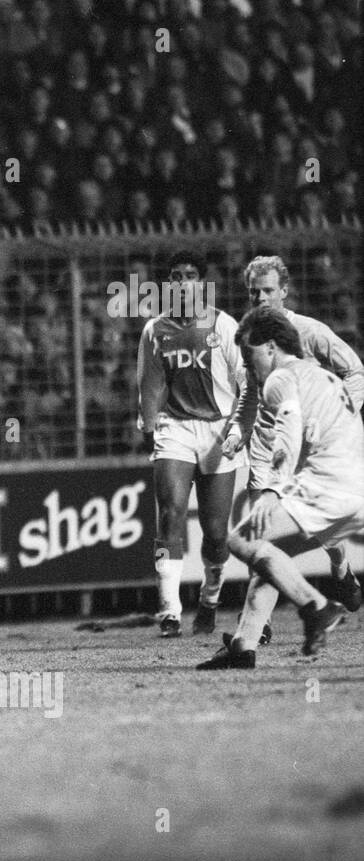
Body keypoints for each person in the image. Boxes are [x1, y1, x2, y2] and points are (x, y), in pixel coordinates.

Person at [198, 306, 363, 669]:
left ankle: (316, 606)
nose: (246, 364)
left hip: (327, 483)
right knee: (271, 557)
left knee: (241, 540)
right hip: (353, 485)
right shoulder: (320, 376)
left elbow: (286, 433)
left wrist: (274, 491)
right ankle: (243, 646)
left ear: (271, 347)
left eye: (249, 353)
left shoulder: (280, 379)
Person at [222, 254, 364, 616]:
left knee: (324, 535)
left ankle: (340, 570)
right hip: (267, 447)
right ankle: (258, 628)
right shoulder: (250, 336)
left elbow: (356, 372)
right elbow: (249, 394)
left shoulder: (310, 331)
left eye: (269, 290)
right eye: (255, 292)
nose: (261, 299)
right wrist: (238, 429)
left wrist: (334, 416)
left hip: (308, 447)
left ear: (284, 291)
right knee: (260, 534)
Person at [136, 250, 244, 638]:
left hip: (218, 430)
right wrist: (150, 428)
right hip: (176, 429)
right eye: (175, 276)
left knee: (216, 532)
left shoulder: (223, 325)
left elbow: (244, 383)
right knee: (171, 514)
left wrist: (238, 429)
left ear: (202, 282)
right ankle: (168, 610)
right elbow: (149, 384)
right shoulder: (155, 330)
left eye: (191, 276)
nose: (183, 282)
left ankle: (210, 599)